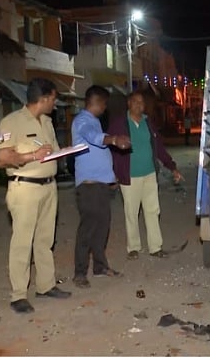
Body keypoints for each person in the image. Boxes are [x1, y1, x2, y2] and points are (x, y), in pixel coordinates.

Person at [0, 77, 72, 313]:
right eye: (53, 99)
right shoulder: (11, 123)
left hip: (49, 187)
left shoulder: (47, 122)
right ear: (45, 98)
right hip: (25, 188)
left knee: (45, 239)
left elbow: (53, 152)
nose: (55, 104)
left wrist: (66, 152)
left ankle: (45, 286)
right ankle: (18, 294)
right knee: (22, 241)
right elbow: (1, 159)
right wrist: (32, 156)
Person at [109, 90, 183, 259]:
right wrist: (113, 174)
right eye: (135, 102)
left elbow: (159, 148)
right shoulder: (119, 123)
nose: (139, 105)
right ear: (129, 103)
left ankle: (155, 247)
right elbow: (111, 150)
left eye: (142, 103)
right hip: (129, 176)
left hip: (149, 174)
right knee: (131, 211)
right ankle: (133, 247)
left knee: (152, 210)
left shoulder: (148, 123)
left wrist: (172, 167)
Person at [71, 85, 132, 288]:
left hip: (100, 185)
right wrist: (113, 139)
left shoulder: (95, 121)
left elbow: (98, 152)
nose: (105, 108)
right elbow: (93, 138)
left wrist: (111, 177)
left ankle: (99, 266)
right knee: (87, 230)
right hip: (89, 187)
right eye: (104, 104)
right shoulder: (82, 121)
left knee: (102, 229)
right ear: (96, 102)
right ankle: (79, 273)